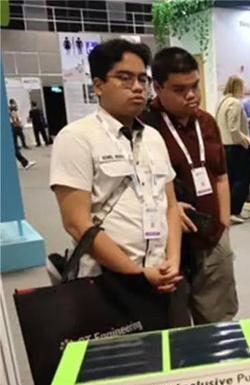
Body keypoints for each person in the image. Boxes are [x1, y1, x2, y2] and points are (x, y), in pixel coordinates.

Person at [49, 39, 182, 293]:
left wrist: (173, 261)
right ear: (98, 85)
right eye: (125, 78)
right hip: (105, 281)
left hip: (160, 273)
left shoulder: (153, 138)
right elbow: (76, 222)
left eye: (142, 79)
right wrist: (137, 274)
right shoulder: (76, 137)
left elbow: (171, 205)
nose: (137, 87)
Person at [146, 47, 238, 324]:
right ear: (158, 87)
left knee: (219, 320)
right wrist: (170, 208)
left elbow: (220, 175)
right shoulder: (145, 126)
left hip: (212, 239)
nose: (191, 95)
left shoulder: (206, 122)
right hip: (168, 246)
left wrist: (224, 224)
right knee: (175, 324)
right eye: (179, 89)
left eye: (195, 86)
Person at [216, 75, 250, 224]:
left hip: (225, 146)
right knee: (242, 180)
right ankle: (234, 210)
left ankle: (229, 210)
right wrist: (244, 142)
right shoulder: (234, 103)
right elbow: (234, 128)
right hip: (236, 146)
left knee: (230, 179)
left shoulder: (221, 102)